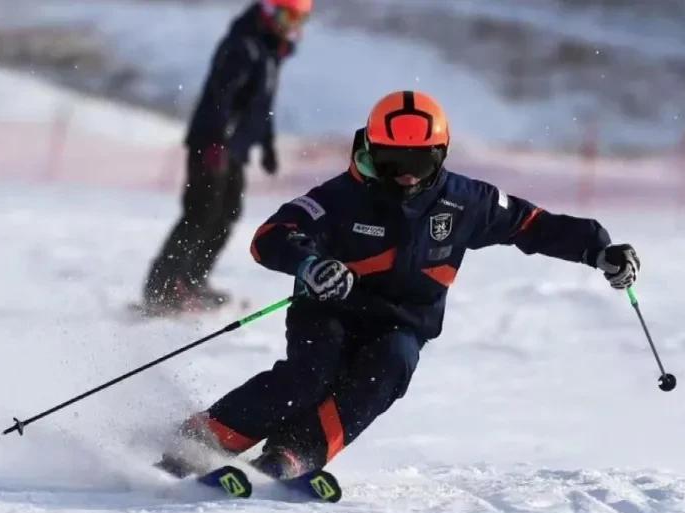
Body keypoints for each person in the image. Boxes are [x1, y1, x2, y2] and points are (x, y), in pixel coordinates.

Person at [157, 91, 641, 480]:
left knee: (392, 367)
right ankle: (202, 440)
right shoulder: (342, 196)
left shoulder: (467, 202)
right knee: (311, 373)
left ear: (441, 153)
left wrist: (599, 250)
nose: (406, 174)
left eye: (419, 161)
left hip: (402, 325)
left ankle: (292, 453)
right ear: (370, 148)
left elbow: (533, 224)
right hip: (330, 312)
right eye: (391, 161)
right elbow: (272, 237)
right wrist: (308, 264)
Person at [143, 0, 313, 314]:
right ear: (269, 11)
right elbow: (220, 97)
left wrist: (267, 145)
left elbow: (260, 105)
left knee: (227, 215)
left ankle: (192, 279)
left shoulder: (269, 50)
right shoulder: (244, 46)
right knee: (201, 214)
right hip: (214, 146)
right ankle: (163, 287)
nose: (293, 25)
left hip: (234, 149)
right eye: (289, 15)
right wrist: (214, 142)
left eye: (300, 18)